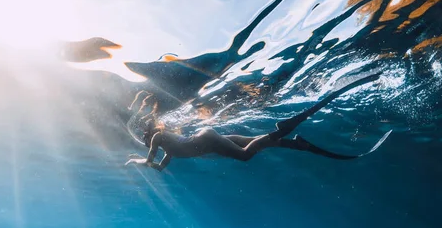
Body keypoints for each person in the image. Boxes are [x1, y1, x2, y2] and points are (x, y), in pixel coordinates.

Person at [125, 73, 392, 172]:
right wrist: (150, 164)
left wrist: (134, 161)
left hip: (207, 140)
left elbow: (149, 161)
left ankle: (286, 128)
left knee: (244, 156)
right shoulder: (167, 147)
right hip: (210, 140)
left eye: (142, 137)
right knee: (257, 144)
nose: (144, 140)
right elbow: (159, 167)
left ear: (146, 134)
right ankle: (296, 144)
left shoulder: (159, 139)